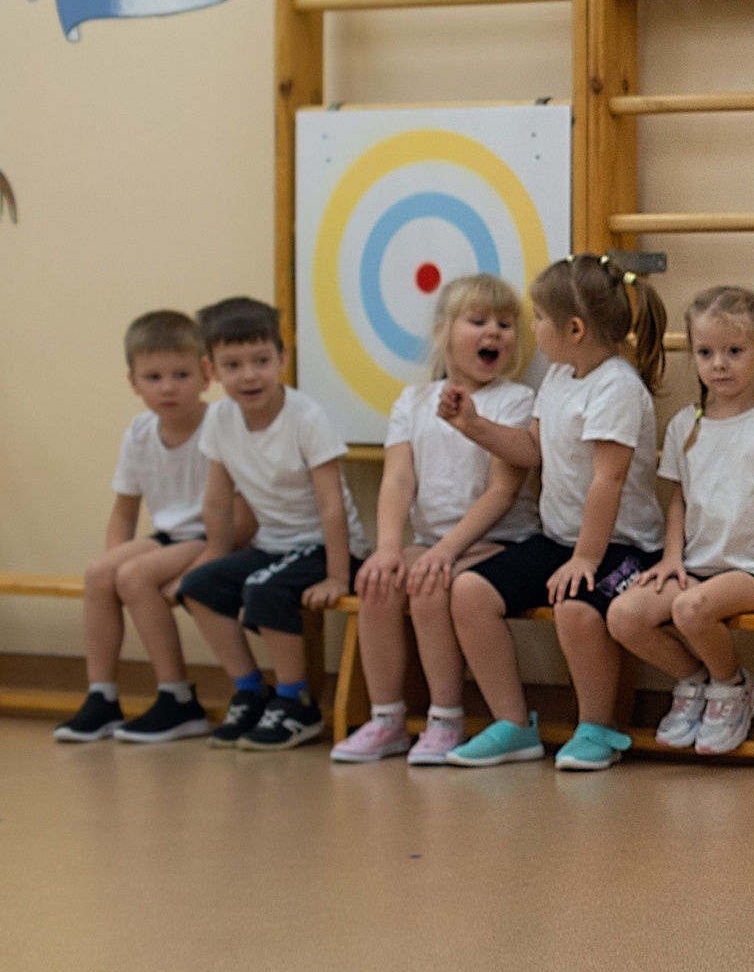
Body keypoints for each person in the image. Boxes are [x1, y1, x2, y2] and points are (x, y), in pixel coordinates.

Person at [442, 255, 668, 772]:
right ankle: (513, 724)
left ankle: (597, 727)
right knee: (470, 592)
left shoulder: (617, 386)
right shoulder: (560, 375)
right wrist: (473, 425)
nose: (533, 328)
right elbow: (530, 449)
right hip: (562, 540)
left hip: (623, 546)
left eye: (539, 318)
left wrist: (587, 559)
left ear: (574, 328)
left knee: (573, 606)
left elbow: (607, 481)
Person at [612, 285, 754, 755]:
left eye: (734, 351)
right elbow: (677, 503)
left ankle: (731, 685)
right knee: (624, 615)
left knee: (689, 609)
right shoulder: (684, 425)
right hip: (695, 566)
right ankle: (696, 681)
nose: (719, 363)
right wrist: (671, 558)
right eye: (706, 352)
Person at [331, 276, 540, 765]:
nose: (495, 332)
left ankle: (445, 719)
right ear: (444, 332)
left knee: (429, 583)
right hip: (430, 540)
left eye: (505, 324)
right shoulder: (414, 402)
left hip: (498, 540)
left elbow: (502, 492)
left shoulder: (514, 401)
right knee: (379, 582)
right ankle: (387, 720)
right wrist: (387, 546)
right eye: (479, 321)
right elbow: (398, 481)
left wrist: (446, 551)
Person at [175, 297, 373, 751]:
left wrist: (338, 575)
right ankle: (250, 691)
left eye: (262, 361)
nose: (249, 375)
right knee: (199, 587)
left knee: (262, 589)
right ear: (212, 371)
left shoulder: (306, 417)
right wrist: (213, 556)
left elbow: (330, 505)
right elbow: (217, 500)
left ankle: (296, 701)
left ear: (283, 359)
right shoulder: (221, 420)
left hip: (326, 547)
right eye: (233, 364)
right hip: (273, 545)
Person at [58, 311, 231, 745]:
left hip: (209, 535)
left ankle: (177, 699)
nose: (168, 387)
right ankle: (102, 698)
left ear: (206, 374)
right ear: (134, 382)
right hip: (167, 536)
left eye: (181, 374)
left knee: (134, 577)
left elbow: (237, 511)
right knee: (101, 572)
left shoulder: (220, 424)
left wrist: (130, 569)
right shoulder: (139, 432)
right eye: (153, 377)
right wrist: (112, 559)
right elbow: (124, 511)